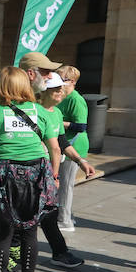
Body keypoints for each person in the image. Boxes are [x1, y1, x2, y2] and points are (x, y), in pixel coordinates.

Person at [0, 66, 58, 272]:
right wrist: (54, 176)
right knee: (30, 232)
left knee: (2, 233)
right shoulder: (39, 110)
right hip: (35, 176)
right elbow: (54, 148)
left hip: (3, 175)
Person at [35, 73, 91, 268]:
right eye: (55, 88)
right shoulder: (33, 111)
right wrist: (54, 175)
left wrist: (80, 160)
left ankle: (60, 252)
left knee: (49, 214)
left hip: (47, 172)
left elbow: (62, 142)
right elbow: (52, 147)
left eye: (61, 87)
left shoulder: (57, 113)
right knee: (25, 217)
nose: (60, 91)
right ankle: (2, 256)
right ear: (43, 91)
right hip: (32, 171)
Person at [55, 65, 90, 231]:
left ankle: (65, 221)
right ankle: (64, 215)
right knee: (62, 184)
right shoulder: (61, 96)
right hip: (63, 144)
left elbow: (81, 126)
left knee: (66, 185)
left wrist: (57, 122)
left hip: (74, 145)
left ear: (73, 82)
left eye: (62, 79)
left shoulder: (76, 99)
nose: (59, 82)